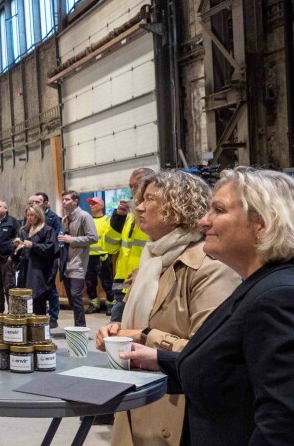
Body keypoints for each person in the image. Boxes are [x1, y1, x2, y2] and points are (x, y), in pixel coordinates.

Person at [120, 167, 294, 445]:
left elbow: (282, 423)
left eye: (219, 210)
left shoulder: (277, 297)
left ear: (261, 223)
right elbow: (231, 369)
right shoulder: (258, 287)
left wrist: (147, 337)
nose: (203, 221)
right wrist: (160, 360)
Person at [94, 170, 239, 445]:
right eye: (140, 198)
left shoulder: (210, 266)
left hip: (175, 407)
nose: (139, 206)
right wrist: (117, 331)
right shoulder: (152, 259)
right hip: (134, 398)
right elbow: (138, 325)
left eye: (150, 199)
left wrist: (143, 335)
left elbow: (210, 353)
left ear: (179, 205)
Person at [104, 168, 155, 321]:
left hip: (145, 283)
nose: (133, 190)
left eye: (137, 185)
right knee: (115, 333)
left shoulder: (157, 214)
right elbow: (109, 247)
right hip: (122, 283)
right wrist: (118, 218)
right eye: (130, 186)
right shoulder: (128, 214)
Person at [58, 190, 98, 327]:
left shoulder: (84, 216)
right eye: (63, 200)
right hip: (66, 264)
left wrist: (71, 239)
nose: (64, 202)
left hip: (79, 263)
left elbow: (93, 238)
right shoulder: (66, 218)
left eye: (67, 200)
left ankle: (80, 328)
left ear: (75, 201)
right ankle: (77, 326)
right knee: (71, 298)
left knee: (76, 295)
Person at [12, 204, 58, 316]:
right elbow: (18, 253)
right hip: (25, 268)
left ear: (39, 215)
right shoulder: (24, 230)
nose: (30, 217)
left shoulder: (47, 230)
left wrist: (33, 245)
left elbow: (50, 249)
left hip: (39, 270)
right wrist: (17, 246)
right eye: (28, 215)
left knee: (37, 299)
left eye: (32, 215)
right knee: (24, 299)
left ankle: (39, 327)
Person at [28, 192, 63, 326]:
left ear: (45, 203)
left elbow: (56, 240)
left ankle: (53, 317)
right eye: (31, 203)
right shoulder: (30, 219)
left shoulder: (52, 218)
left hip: (49, 258)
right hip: (35, 261)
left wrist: (57, 253)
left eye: (37, 202)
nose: (34, 205)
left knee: (50, 287)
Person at [85, 197, 114, 314]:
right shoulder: (87, 220)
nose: (91, 205)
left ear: (101, 206)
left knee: (107, 282)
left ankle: (111, 304)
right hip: (88, 256)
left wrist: (108, 253)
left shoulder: (108, 220)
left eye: (94, 203)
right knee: (90, 283)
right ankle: (94, 304)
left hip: (103, 256)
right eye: (90, 204)